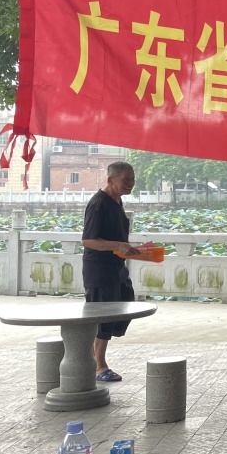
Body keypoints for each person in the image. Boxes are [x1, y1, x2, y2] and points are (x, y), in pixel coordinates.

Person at [81, 161, 140, 382]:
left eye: (132, 179)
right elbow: (88, 240)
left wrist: (129, 249)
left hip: (116, 267)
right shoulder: (98, 204)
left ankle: (90, 358)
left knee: (125, 303)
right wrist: (117, 245)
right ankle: (99, 366)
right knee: (103, 316)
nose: (130, 183)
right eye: (125, 180)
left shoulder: (117, 202)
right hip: (99, 269)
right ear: (110, 179)